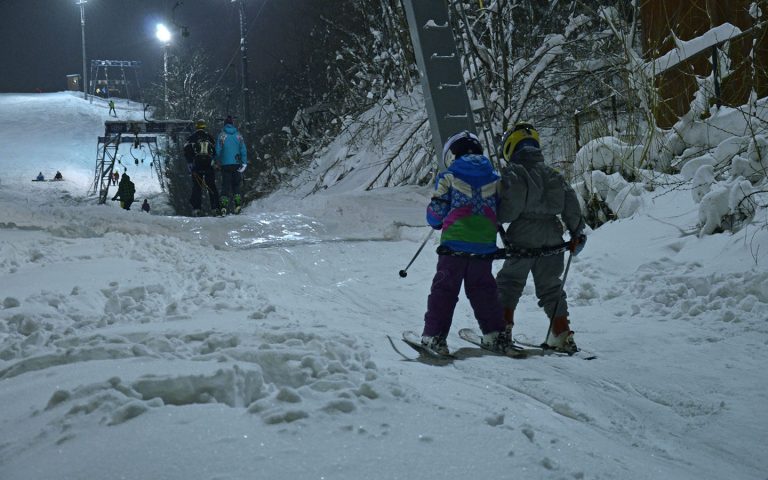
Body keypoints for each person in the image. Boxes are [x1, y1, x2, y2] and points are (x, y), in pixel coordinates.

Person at [495, 122, 587, 353]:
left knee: (510, 283)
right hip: (553, 237)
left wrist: (497, 215)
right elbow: (571, 205)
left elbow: (511, 209)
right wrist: (576, 232)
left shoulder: (514, 173)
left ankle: (502, 330)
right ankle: (562, 333)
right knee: (551, 287)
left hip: (522, 237)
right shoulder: (553, 174)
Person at [419, 131, 511, 355]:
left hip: (454, 245)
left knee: (445, 289)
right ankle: (495, 334)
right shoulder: (495, 178)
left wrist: (435, 220)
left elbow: (436, 215)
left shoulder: (449, 177)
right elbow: (502, 210)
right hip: (484, 244)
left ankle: (435, 337)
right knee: (483, 289)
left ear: (454, 152)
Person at [183, 119, 220, 216]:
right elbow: (215, 151)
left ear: (196, 127)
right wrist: (213, 161)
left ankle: (197, 209)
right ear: (204, 127)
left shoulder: (192, 137)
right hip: (208, 165)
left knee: (197, 187)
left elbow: (186, 150)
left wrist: (190, 162)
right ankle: (215, 207)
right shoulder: (209, 137)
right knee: (211, 186)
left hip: (196, 166)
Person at [215, 116, 247, 214]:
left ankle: (223, 207)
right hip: (236, 163)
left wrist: (215, 160)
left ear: (224, 124)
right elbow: (243, 150)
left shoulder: (222, 135)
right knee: (236, 185)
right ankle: (237, 205)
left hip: (225, 164)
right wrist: (244, 162)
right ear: (233, 124)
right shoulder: (239, 135)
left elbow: (217, 150)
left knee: (225, 186)